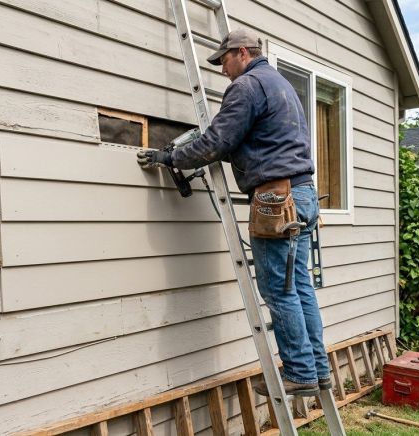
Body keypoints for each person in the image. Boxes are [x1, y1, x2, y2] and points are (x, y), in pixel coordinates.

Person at [136, 29, 330, 397]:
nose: (223, 70)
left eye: (224, 60)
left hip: (276, 199)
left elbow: (218, 141)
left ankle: (300, 372)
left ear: (242, 52)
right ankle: (317, 369)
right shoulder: (282, 85)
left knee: (278, 291)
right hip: (302, 195)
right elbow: (254, 142)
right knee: (299, 288)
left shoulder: (246, 86)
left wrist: (170, 157)